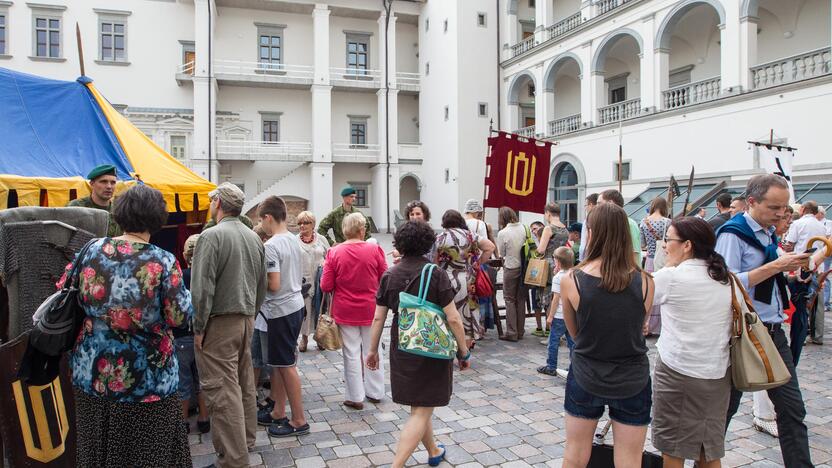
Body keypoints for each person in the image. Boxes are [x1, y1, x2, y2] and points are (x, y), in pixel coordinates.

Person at [64, 184, 192, 467]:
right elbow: (180, 317)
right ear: (157, 218)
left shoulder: (91, 249)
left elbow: (66, 289)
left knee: (96, 448)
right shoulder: (161, 260)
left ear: (120, 213)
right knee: (146, 454)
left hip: (92, 372)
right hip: (146, 378)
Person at [715, 174, 813, 467]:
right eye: (774, 208)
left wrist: (790, 274)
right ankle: (706, 462)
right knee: (725, 410)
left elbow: (766, 280)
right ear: (752, 202)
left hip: (772, 331)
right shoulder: (732, 233)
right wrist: (775, 266)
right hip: (742, 334)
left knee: (792, 409)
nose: (781, 214)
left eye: (784, 208)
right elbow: (724, 283)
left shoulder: (768, 233)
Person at [366, 221, 471, 468]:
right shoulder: (435, 273)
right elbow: (454, 318)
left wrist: (372, 350)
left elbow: (378, 317)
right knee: (422, 410)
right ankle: (397, 464)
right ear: (426, 244)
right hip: (431, 349)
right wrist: (463, 351)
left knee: (420, 406)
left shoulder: (389, 275)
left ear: (399, 244)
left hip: (403, 346)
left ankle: (434, 451)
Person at [559, 202, 654, 468]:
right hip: (632, 377)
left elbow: (575, 332)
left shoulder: (572, 279)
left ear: (592, 232)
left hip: (587, 371)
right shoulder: (646, 281)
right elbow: (636, 326)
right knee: (629, 459)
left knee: (575, 454)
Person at [191, 182, 266, 467]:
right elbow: (261, 286)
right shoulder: (253, 236)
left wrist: (199, 328)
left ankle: (234, 459)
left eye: (212, 202)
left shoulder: (211, 236)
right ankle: (244, 443)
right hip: (246, 318)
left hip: (219, 322)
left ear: (218, 203)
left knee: (222, 390)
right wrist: (251, 314)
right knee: (242, 383)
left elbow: (202, 289)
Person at [650, 217, 733, 468]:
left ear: (686, 245)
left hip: (678, 372)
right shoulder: (724, 277)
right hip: (717, 375)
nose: (664, 245)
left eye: (669, 240)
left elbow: (636, 298)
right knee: (708, 450)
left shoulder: (671, 277)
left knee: (673, 449)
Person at [254, 196, 310, 438]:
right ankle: (278, 411)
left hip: (281, 310)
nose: (262, 225)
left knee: (287, 366)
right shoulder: (293, 240)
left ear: (268, 218)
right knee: (280, 363)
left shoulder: (271, 246)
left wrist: (254, 279)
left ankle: (299, 420)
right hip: (294, 305)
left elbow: (273, 284)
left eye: (261, 220)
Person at [320, 212, 388, 410]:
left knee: (350, 352)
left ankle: (355, 396)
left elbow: (326, 285)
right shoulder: (374, 249)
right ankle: (375, 391)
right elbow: (384, 277)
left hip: (345, 309)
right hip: (371, 308)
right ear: (361, 230)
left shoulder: (334, 252)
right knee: (373, 349)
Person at [432, 210, 495, 349]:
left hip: (446, 280)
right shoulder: (470, 236)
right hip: (467, 280)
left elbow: (434, 261)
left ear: (444, 222)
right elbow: (490, 247)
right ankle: (464, 351)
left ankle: (450, 346)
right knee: (467, 313)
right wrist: (478, 263)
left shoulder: (440, 238)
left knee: (448, 313)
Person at [783, 200, 828, 363]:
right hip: (815, 266)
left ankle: (800, 337)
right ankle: (817, 334)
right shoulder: (820, 224)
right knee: (815, 304)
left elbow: (790, 245)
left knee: (800, 305)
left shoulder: (798, 224)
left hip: (799, 267)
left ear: (803, 209)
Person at [176, 234, 210, 434]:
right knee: (202, 379)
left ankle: (183, 422)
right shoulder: (206, 277)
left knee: (183, 380)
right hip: (204, 334)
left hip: (181, 334)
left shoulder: (180, 277)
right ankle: (204, 419)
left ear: (184, 255)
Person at [537, 246, 575, 377]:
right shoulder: (575, 274)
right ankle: (574, 367)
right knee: (572, 343)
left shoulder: (558, 277)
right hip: (572, 316)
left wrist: (550, 316)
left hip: (559, 315)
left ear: (558, 262)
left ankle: (551, 366)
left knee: (553, 341)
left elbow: (555, 299)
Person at [295, 211, 330, 352]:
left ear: (313, 224)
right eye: (300, 223)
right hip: (303, 282)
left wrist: (325, 264)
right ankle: (304, 339)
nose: (302, 226)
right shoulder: (294, 240)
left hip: (320, 280)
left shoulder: (321, 239)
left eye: (306, 223)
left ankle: (320, 337)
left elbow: (330, 257)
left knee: (320, 309)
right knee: (305, 311)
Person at [534, 202, 570, 335]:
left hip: (549, 265)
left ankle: (553, 333)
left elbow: (541, 250)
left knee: (548, 299)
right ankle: (561, 331)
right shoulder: (565, 229)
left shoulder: (549, 229)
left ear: (548, 213)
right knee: (558, 297)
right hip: (562, 264)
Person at [496, 206, 531, 342]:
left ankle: (512, 332)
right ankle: (520, 331)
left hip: (511, 267)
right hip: (524, 268)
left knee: (509, 299)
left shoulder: (503, 232)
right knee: (521, 299)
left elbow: (502, 253)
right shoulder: (524, 228)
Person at [67, 164, 123, 237]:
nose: (109, 186)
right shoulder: (76, 207)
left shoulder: (120, 211)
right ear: (92, 184)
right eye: (103, 182)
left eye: (113, 183)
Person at [599, 189, 642, 265]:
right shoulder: (608, 224)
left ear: (610, 203)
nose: (597, 207)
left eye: (599, 203)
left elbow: (634, 254)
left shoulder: (629, 224)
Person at [640, 198, 671, 272]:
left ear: (652, 206)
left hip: (650, 259)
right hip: (663, 258)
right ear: (665, 207)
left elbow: (642, 244)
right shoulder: (667, 222)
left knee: (650, 281)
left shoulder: (644, 221)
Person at [578, 193, 598, 262]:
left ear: (591, 205)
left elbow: (588, 239)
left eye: (585, 205)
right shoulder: (602, 217)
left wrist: (583, 258)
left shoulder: (590, 219)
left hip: (588, 256)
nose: (585, 208)